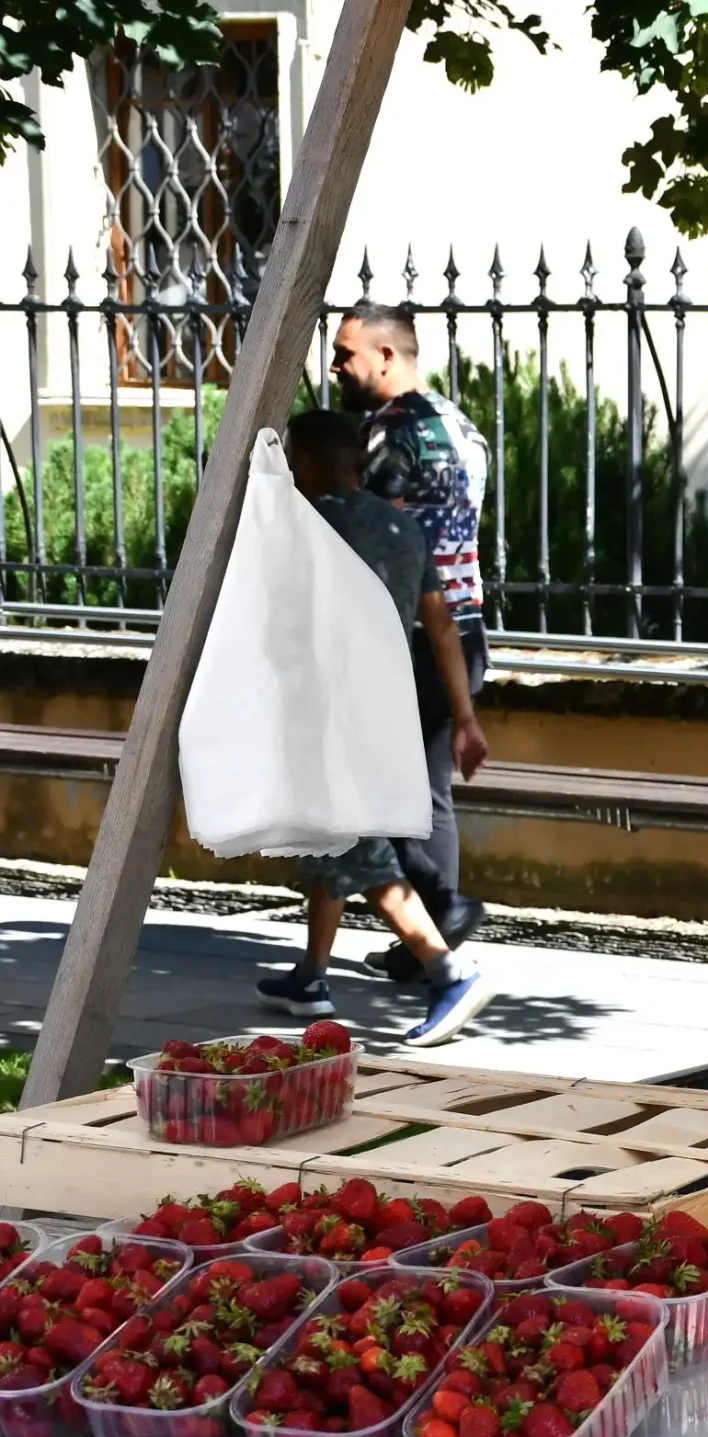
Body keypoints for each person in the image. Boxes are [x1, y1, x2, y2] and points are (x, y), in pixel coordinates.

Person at [255, 409, 498, 1048]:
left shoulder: (309, 525)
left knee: (361, 851)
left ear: (303, 462)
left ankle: (448, 970)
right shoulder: (403, 528)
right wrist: (466, 716)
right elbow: (442, 626)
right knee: (334, 841)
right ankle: (310, 976)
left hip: (331, 710)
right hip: (386, 707)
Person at [330, 303, 494, 982]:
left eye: (346, 354)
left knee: (375, 790)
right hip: (465, 626)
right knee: (427, 793)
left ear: (387, 357)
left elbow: (376, 533)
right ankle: (428, 938)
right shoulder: (462, 426)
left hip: (413, 630)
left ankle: (442, 909)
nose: (337, 367)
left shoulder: (388, 433)